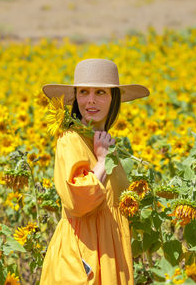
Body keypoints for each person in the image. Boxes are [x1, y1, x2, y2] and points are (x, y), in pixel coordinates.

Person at [40, 58, 150, 285]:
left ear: (113, 99)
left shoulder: (104, 143)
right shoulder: (70, 139)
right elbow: (77, 202)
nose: (91, 100)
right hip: (84, 258)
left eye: (100, 92)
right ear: (76, 97)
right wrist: (101, 162)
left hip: (109, 255)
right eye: (83, 92)